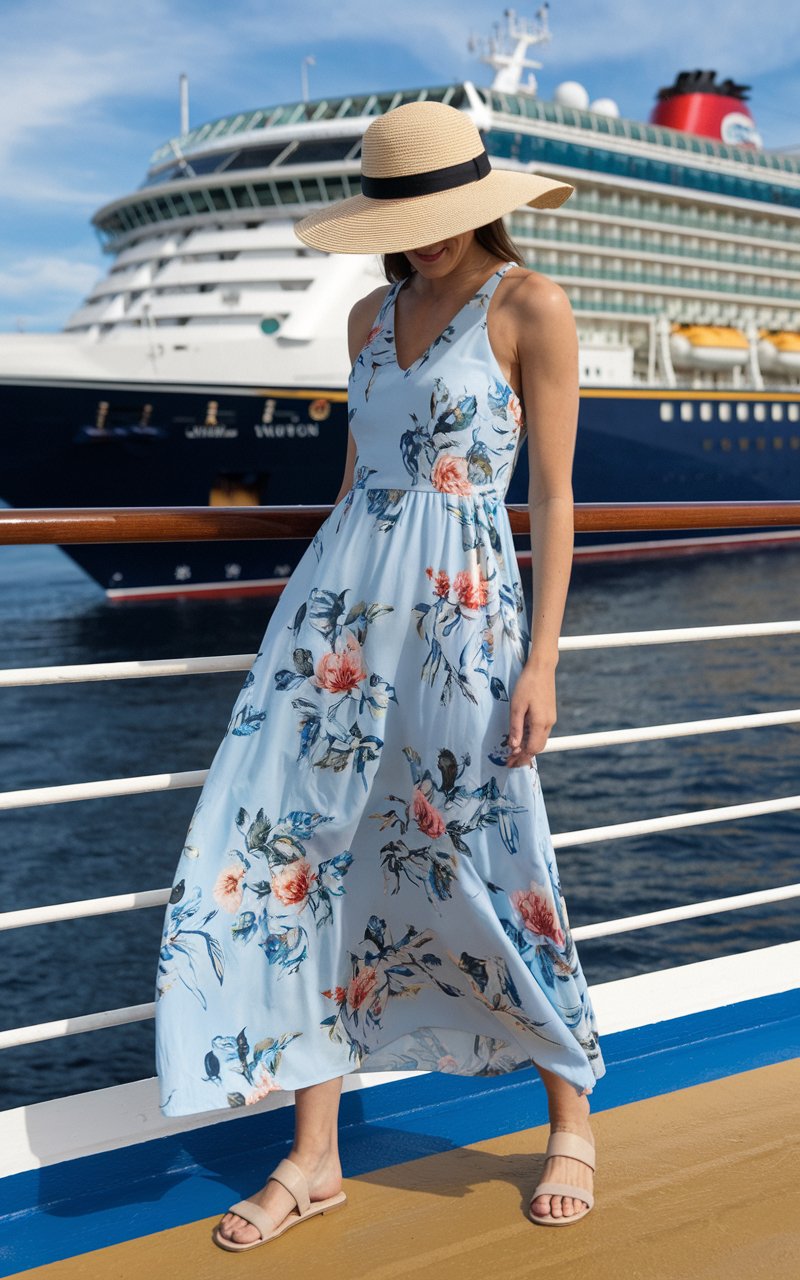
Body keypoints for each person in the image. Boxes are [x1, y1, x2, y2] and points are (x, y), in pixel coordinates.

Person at [154, 99, 605, 1252]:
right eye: (403, 219)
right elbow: (359, 481)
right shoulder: (364, 313)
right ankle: (311, 1155)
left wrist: (541, 659)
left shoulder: (529, 306)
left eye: (441, 215)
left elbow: (550, 498)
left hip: (463, 618)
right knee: (298, 853)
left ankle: (568, 1108)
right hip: (336, 618)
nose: (426, 237)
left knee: (487, 841)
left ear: (479, 206)